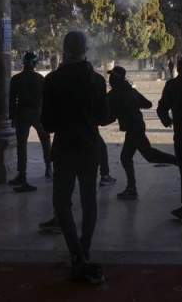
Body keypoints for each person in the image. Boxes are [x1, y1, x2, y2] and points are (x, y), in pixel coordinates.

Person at [41, 30, 108, 284]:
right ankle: (85, 248)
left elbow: (48, 124)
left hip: (65, 149)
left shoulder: (53, 81)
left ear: (64, 49)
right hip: (91, 148)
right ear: (86, 49)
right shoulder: (97, 81)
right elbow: (103, 117)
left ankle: (77, 253)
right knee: (89, 201)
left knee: (62, 203)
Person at [107, 66, 177, 200]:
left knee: (125, 157)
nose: (110, 79)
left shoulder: (114, 94)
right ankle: (177, 161)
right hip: (138, 125)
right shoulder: (131, 91)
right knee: (149, 155)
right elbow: (148, 104)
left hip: (133, 128)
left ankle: (131, 188)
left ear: (116, 79)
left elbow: (109, 115)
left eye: (112, 77)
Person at [157, 56, 182, 219]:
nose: (180, 68)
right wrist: (165, 118)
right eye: (179, 65)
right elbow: (162, 106)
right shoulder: (173, 85)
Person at [8, 52, 52, 191]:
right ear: (35, 63)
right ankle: (48, 168)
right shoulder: (40, 78)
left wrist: (12, 117)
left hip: (22, 112)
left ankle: (22, 174)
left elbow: (12, 99)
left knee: (21, 144)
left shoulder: (16, 79)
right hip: (38, 112)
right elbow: (46, 98)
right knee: (45, 140)